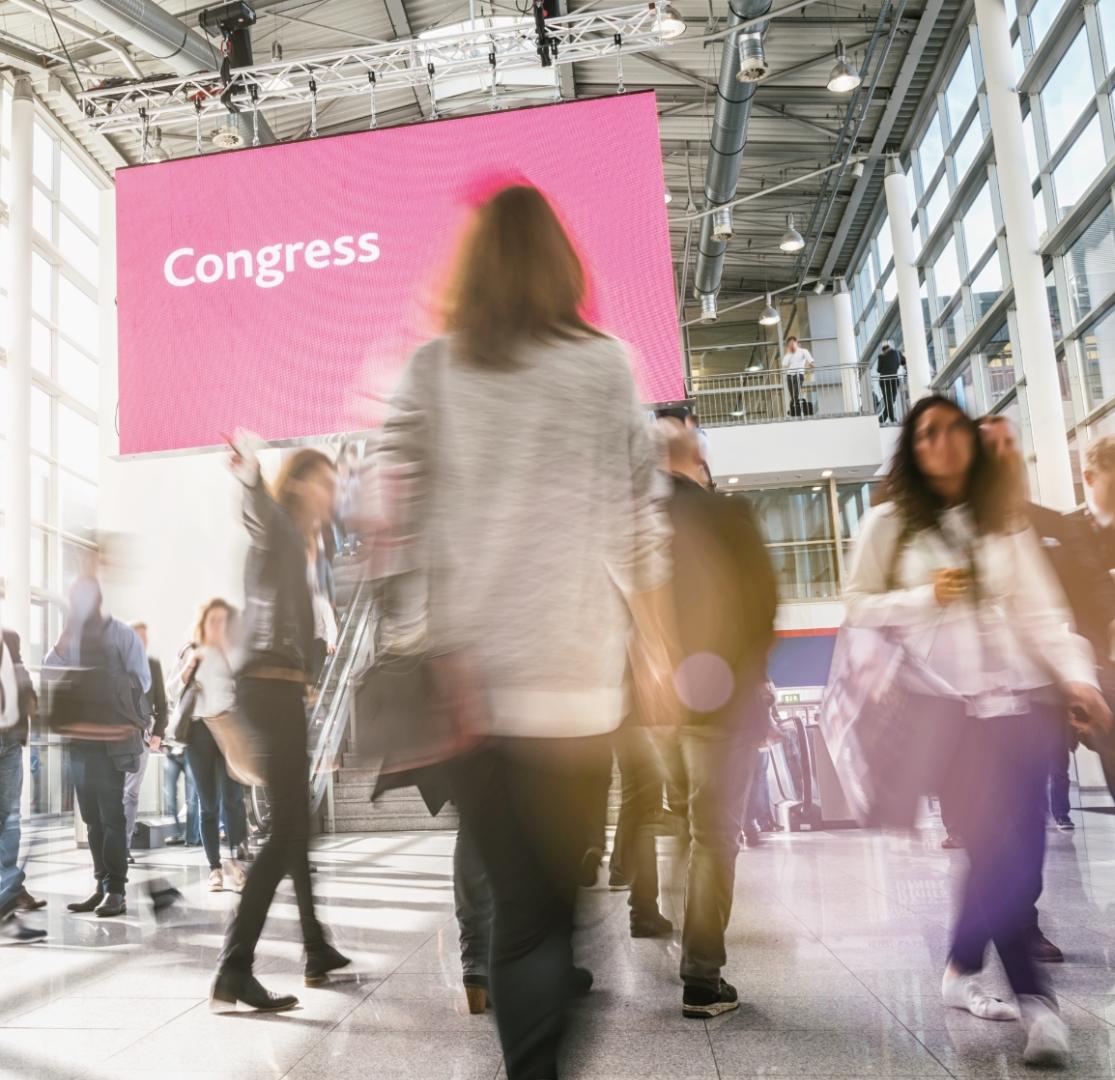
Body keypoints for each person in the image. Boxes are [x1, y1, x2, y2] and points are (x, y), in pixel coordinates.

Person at [373, 184, 673, 1080]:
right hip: (578, 689)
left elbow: (395, 524)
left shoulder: (434, 368)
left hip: (471, 692)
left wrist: (418, 632)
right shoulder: (605, 364)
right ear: (561, 263)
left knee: (516, 909)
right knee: (556, 908)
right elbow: (640, 525)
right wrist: (655, 647)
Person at [844, 395, 1111, 1068]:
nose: (942, 441)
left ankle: (960, 967)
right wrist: (922, 597)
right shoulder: (887, 526)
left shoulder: (1005, 525)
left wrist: (1078, 678)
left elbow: (1046, 617)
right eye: (926, 433)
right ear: (911, 448)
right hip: (944, 716)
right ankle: (1038, 1006)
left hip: (1022, 710)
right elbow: (856, 609)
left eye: (952, 429)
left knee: (1013, 859)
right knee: (996, 852)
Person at [210, 444, 350, 1013]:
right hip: (269, 688)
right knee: (288, 829)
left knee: (295, 828)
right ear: (297, 485)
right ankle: (234, 967)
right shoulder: (280, 528)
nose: (331, 494)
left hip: (280, 687)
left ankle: (313, 945)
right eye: (323, 482)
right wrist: (250, 476)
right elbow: (258, 513)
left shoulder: (301, 546)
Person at [655, 419, 778, 1018]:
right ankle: (702, 975)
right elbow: (763, 606)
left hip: (653, 709)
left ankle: (682, 930)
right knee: (714, 835)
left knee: (684, 821)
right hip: (718, 700)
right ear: (697, 458)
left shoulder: (638, 526)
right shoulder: (729, 516)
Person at [48, 577, 151, 919]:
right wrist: (66, 633)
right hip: (81, 741)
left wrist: (105, 687)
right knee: (91, 819)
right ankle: (101, 884)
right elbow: (50, 672)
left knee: (111, 817)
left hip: (111, 741)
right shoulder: (72, 636)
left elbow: (142, 679)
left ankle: (116, 890)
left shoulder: (122, 634)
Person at [181, 599, 249, 892]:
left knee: (233, 799)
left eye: (223, 621)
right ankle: (214, 868)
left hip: (229, 730)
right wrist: (188, 668)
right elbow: (175, 689)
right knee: (207, 804)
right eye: (213, 621)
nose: (218, 626)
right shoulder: (191, 651)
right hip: (199, 732)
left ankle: (237, 861)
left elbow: (246, 689)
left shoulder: (235, 653)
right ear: (203, 622)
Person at [0, 627, 47, 944]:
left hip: (11, 742)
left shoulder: (9, 638)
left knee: (10, 820)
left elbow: (21, 686)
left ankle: (7, 902)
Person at [122, 621, 168, 862]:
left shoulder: (153, 665)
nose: (142, 643)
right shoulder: (116, 664)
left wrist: (158, 732)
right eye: (138, 638)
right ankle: (111, 846)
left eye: (145, 639)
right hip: (115, 736)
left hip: (141, 736)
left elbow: (162, 704)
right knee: (114, 793)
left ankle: (124, 846)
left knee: (130, 793)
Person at [780, 336, 815, 417]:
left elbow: (811, 362)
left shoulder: (803, 351)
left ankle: (794, 410)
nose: (791, 345)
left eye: (792, 343)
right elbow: (784, 364)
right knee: (792, 395)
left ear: (796, 343)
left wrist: (806, 367)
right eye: (789, 344)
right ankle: (795, 410)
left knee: (795, 394)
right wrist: (789, 353)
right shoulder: (789, 354)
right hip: (790, 376)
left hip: (799, 375)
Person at [877, 342, 907, 424]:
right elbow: (904, 362)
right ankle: (884, 419)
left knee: (888, 400)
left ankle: (889, 419)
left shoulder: (881, 356)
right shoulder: (897, 353)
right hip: (894, 379)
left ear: (884, 350)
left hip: (884, 380)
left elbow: (878, 369)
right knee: (891, 400)